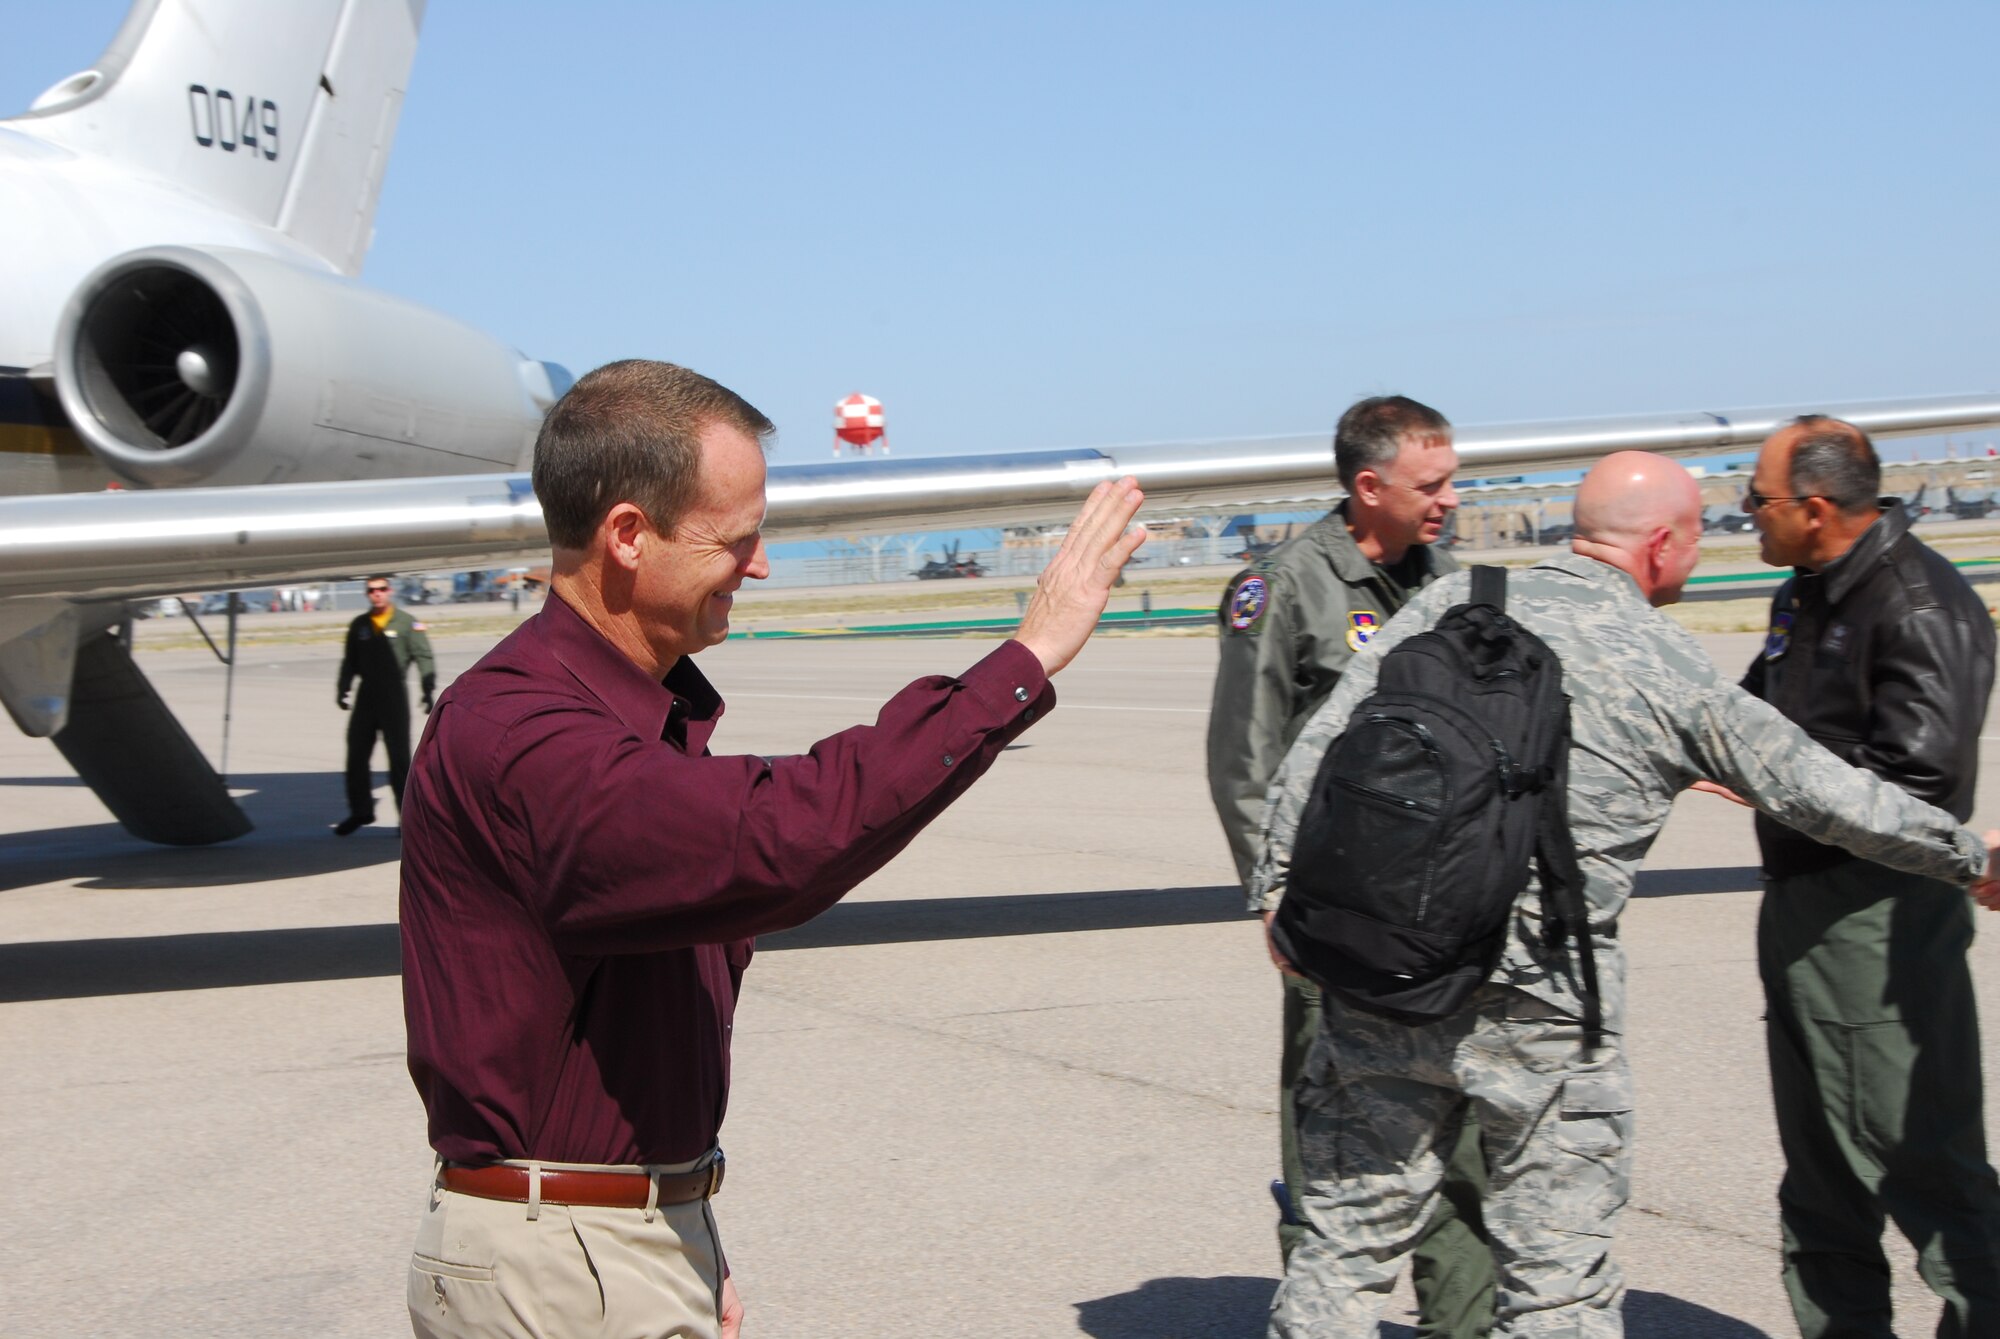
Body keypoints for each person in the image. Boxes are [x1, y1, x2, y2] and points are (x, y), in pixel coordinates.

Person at [398, 359, 1146, 1339]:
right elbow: (778, 835)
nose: (757, 565)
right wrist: (1023, 659)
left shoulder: (624, 721)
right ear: (628, 534)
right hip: (565, 1265)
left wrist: (677, 1228)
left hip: (612, 1235)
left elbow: (629, 1045)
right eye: (737, 538)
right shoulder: (524, 732)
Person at [1253, 451, 2000, 1337]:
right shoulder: (1662, 663)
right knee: (1556, 1283)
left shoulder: (1451, 602)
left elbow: (1319, 750)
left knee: (1341, 1251)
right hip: (1545, 1012)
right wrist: (1966, 854)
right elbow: (1823, 791)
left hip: (1382, 980)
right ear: (1660, 545)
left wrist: (1279, 896)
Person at [1205, 394, 1495, 1331]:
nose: (1450, 499)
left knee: (1462, 1129)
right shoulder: (1286, 585)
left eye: (1451, 480)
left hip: (1445, 905)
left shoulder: (1450, 580)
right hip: (1333, 906)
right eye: (1432, 484)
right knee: (1331, 1129)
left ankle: (1465, 1321)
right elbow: (1243, 754)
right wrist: (1273, 892)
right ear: (1368, 488)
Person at [1735, 416, 2000, 1336]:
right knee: (1819, 1177)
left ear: (1814, 508)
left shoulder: (1917, 604)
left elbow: (1922, 783)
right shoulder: (1805, 592)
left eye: (1758, 500)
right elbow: (1748, 716)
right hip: (1803, 911)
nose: (1746, 516)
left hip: (1877, 924)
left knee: (1925, 1169)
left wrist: (1785, 778)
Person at [334, 575, 435, 835]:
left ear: (389, 591)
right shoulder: (360, 625)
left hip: (394, 696)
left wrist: (427, 688)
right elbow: (350, 661)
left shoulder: (406, 622)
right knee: (356, 755)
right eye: (371, 590)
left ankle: (407, 819)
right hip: (366, 696)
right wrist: (343, 688)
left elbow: (422, 655)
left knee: (399, 760)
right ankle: (360, 811)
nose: (376, 594)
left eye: (381, 589)